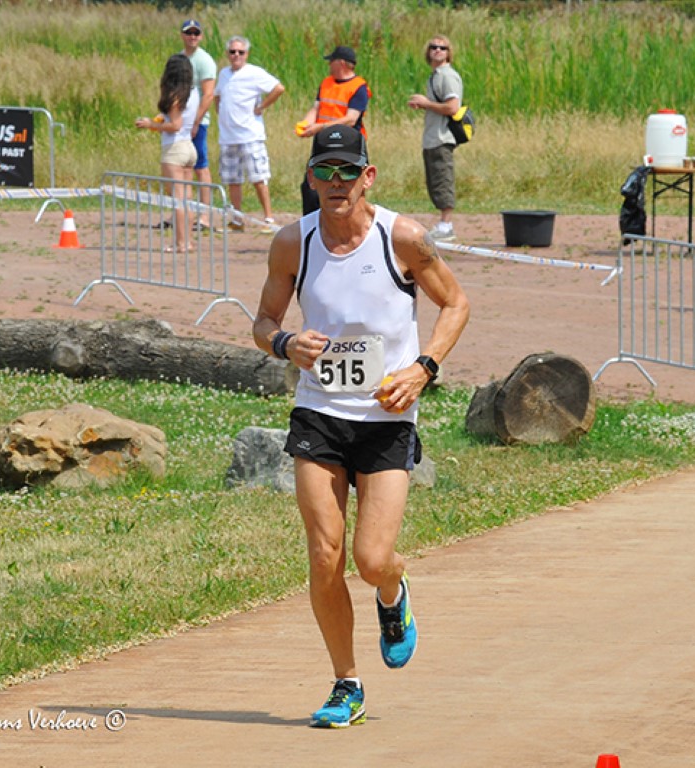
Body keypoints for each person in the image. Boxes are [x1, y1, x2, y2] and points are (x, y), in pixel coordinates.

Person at [251, 124, 470, 728]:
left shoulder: (403, 238)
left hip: (385, 417)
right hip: (319, 413)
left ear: (367, 176)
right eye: (325, 171)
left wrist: (424, 368)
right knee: (325, 555)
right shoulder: (292, 243)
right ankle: (346, 684)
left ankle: (393, 594)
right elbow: (264, 320)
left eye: (348, 170)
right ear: (310, 177)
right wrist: (285, 342)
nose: (336, 182)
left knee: (371, 559)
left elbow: (456, 303)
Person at [214, 35, 284, 232]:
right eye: (232, 52)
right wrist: (220, 112)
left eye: (240, 52)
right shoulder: (224, 74)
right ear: (227, 54)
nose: (236, 55)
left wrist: (261, 106)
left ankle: (268, 218)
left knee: (258, 178)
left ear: (246, 54)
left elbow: (278, 88)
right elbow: (217, 95)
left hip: (250, 135)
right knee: (232, 180)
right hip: (228, 137)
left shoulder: (254, 73)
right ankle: (237, 220)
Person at [134, 54, 200, 254]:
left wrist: (151, 125)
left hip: (175, 148)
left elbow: (175, 125)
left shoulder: (174, 95)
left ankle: (180, 243)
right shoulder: (193, 93)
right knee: (187, 198)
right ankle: (188, 241)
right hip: (188, 146)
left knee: (177, 199)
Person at [297, 45, 371, 216]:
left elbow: (351, 119)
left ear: (342, 63)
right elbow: (316, 108)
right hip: (325, 143)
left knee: (350, 186)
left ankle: (352, 220)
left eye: (332, 61)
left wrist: (320, 127)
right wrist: (306, 124)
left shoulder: (359, 87)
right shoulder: (326, 82)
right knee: (311, 187)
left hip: (350, 145)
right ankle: (313, 223)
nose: (329, 64)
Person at [407, 35, 464, 241]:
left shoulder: (448, 76)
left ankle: (446, 225)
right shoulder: (436, 75)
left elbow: (452, 107)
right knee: (434, 181)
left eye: (443, 47)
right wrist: (424, 105)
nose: (438, 50)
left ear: (449, 53)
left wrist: (426, 103)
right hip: (433, 136)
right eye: (434, 47)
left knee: (442, 179)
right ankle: (443, 223)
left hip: (442, 136)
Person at [177, 19, 216, 229]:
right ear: (182, 35)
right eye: (188, 33)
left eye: (196, 33)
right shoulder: (179, 58)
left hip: (197, 122)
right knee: (181, 167)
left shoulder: (204, 61)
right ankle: (183, 213)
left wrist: (196, 121)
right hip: (180, 121)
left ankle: (204, 215)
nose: (192, 36)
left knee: (200, 167)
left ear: (200, 36)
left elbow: (208, 94)